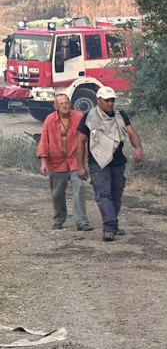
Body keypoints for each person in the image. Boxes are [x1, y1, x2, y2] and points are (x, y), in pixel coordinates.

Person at [77, 86, 143, 242]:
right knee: (103, 194)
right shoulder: (88, 117)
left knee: (116, 195)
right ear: (98, 100)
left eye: (112, 100)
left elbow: (131, 133)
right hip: (97, 162)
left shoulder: (120, 115)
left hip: (118, 161)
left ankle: (112, 223)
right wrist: (80, 166)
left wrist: (138, 147)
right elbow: (80, 142)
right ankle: (110, 226)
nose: (109, 103)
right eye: (106, 100)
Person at [37, 93, 92, 231]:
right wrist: (43, 161)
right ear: (56, 106)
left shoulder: (79, 117)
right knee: (57, 193)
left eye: (66, 102)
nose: (64, 105)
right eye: (61, 103)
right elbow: (44, 140)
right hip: (56, 162)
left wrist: (87, 159)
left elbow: (88, 137)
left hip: (75, 160)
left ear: (70, 103)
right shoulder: (50, 120)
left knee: (79, 188)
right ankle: (59, 219)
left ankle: (82, 222)